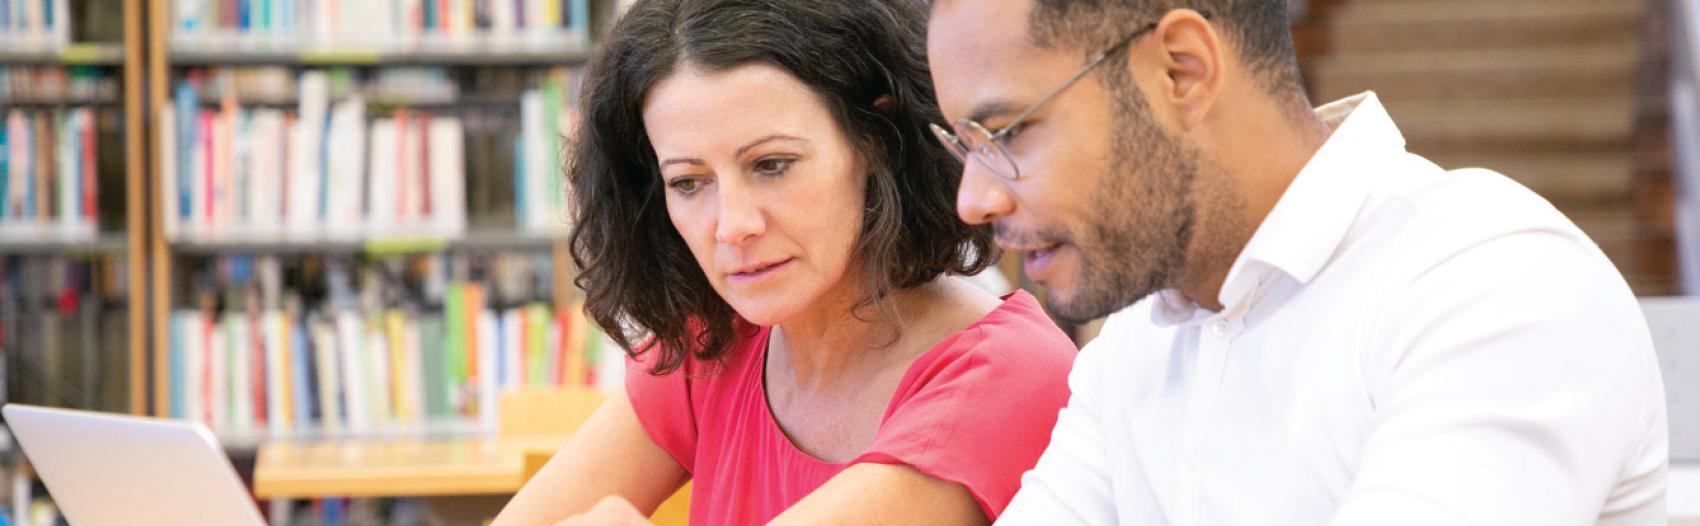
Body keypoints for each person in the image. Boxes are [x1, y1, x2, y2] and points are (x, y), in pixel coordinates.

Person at [924, 0, 1670, 524]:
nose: (973, 199)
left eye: (1006, 134)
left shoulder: (1493, 281)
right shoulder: (1136, 345)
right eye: (963, 145)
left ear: (1181, 71)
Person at [493, 0, 1078, 524]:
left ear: (876, 140)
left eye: (772, 165)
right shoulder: (714, 343)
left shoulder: (1009, 375)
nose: (732, 225)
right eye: (689, 182)